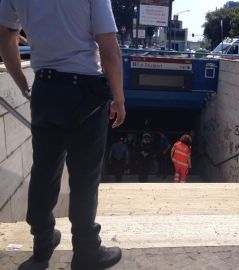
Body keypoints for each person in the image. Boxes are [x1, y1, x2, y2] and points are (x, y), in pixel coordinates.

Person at [0, 0, 126, 269]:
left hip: (45, 89)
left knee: (44, 171)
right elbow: (109, 49)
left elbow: (5, 38)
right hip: (86, 94)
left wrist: (24, 87)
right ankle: (86, 251)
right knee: (84, 178)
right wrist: (119, 98)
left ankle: (42, 244)